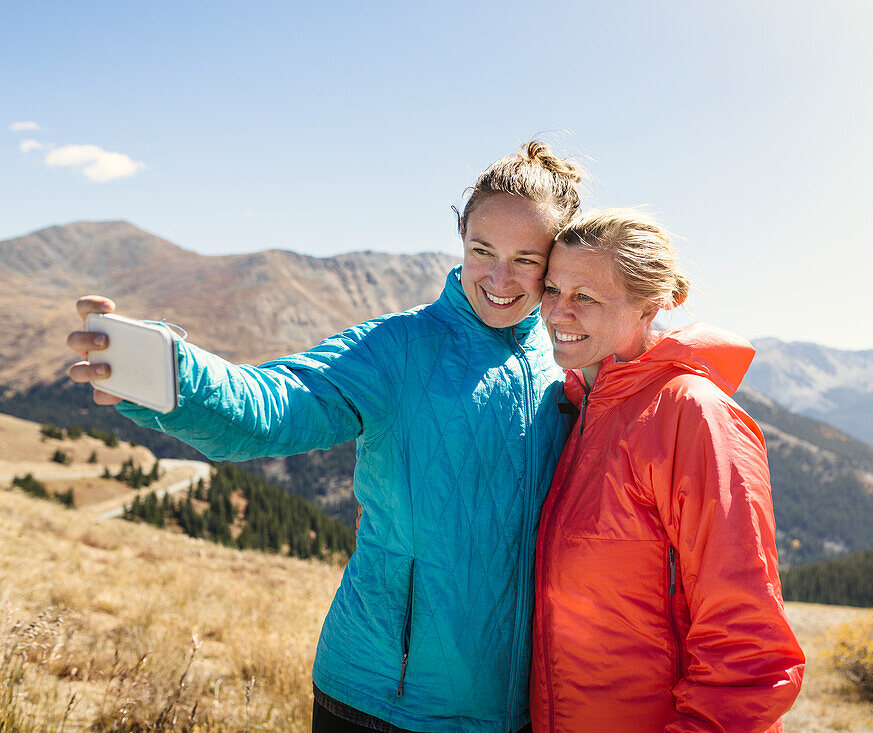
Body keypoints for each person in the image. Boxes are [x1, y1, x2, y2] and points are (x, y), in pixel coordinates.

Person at [66, 142, 583, 733]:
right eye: (481, 251)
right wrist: (173, 377)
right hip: (381, 698)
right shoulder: (397, 348)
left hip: (514, 710)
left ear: (556, 263)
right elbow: (277, 405)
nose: (498, 278)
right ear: (460, 240)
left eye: (525, 260)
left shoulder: (567, 362)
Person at [530, 208, 805, 732]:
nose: (557, 313)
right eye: (552, 289)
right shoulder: (576, 409)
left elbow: (749, 649)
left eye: (585, 297)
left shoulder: (691, 415)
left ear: (649, 306)